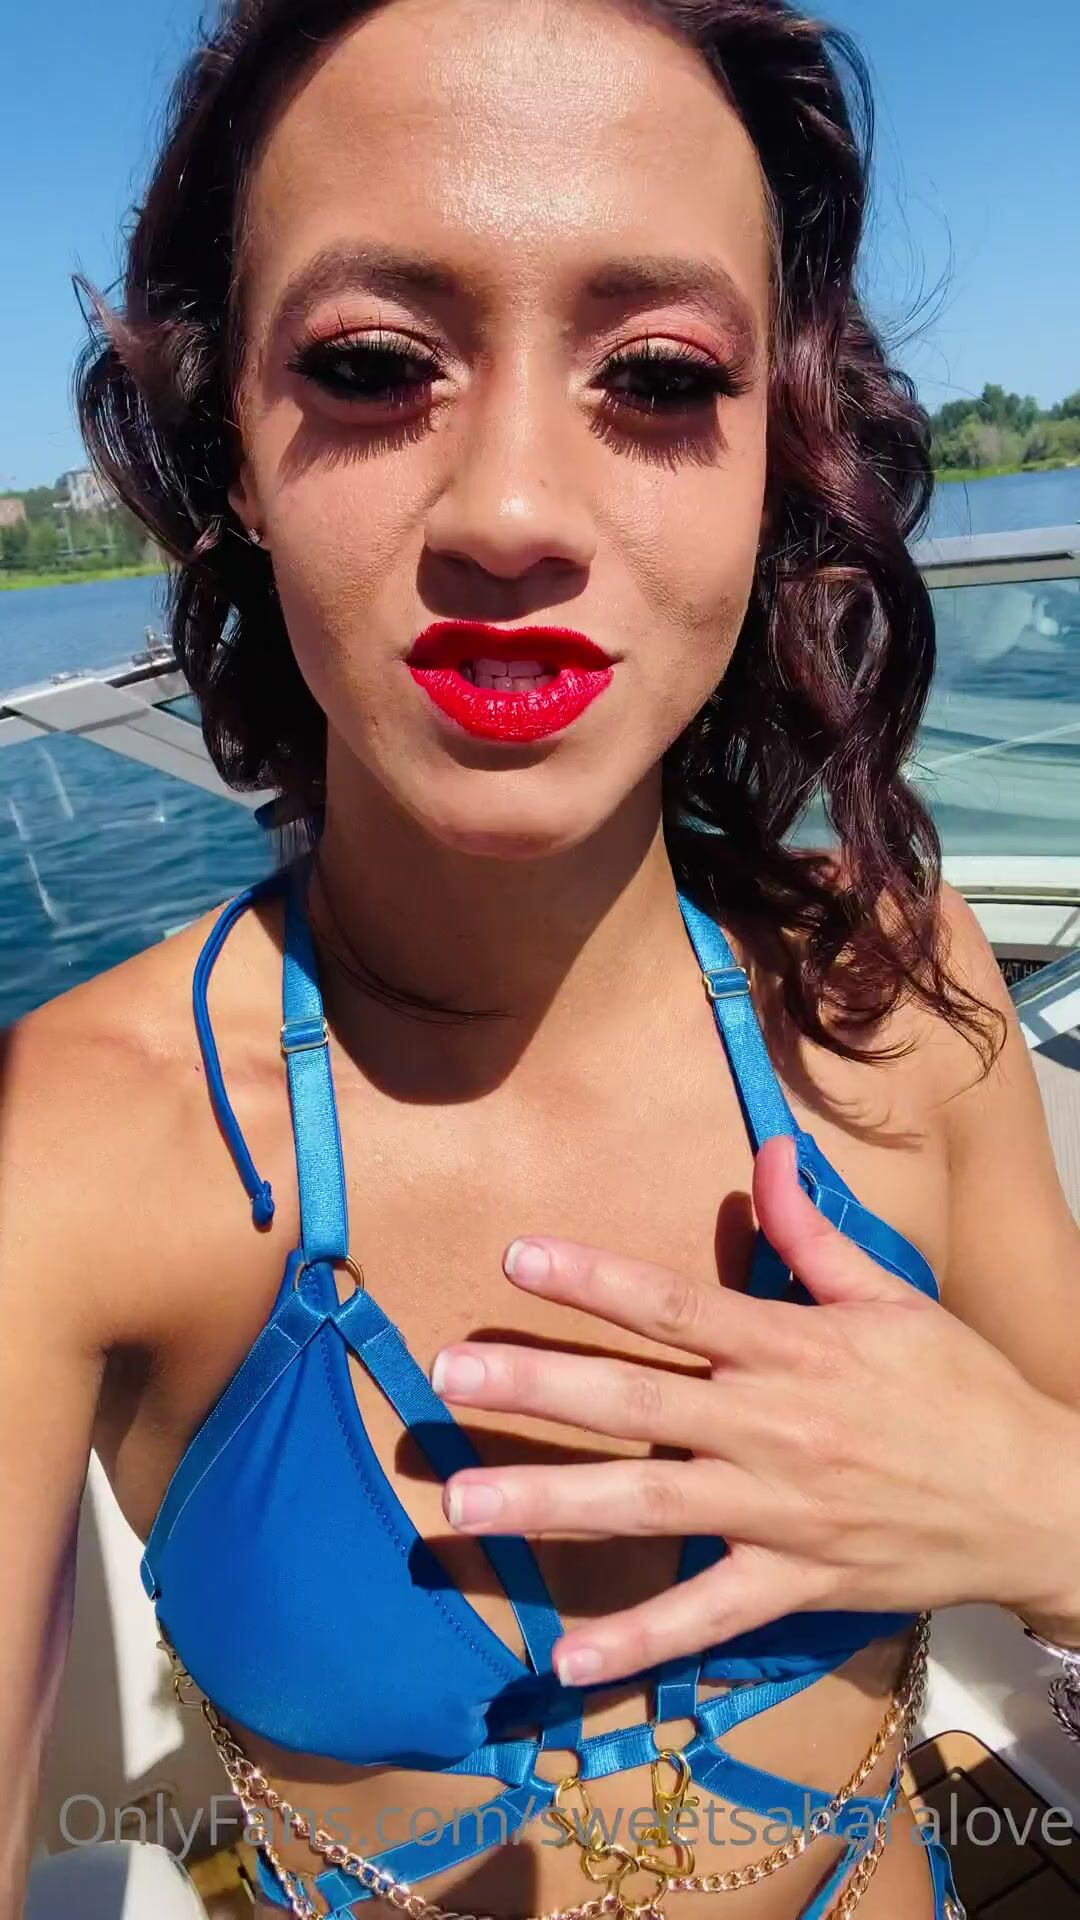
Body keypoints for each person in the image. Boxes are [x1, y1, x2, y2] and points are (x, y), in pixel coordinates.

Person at [2, 1, 1079, 1916]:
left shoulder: (901, 999)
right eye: (371, 364)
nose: (510, 511)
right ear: (234, 450)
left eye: (657, 377)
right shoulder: (69, 1147)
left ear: (774, 456)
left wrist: (1044, 1512)